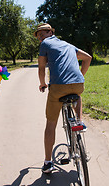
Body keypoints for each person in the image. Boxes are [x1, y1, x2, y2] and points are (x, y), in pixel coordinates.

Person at [34, 23, 92, 174]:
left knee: (51, 123)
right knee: (77, 96)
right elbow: (88, 58)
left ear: (50, 32)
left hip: (58, 87)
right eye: (38, 35)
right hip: (78, 83)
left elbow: (41, 68)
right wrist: (80, 76)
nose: (40, 37)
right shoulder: (68, 44)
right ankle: (79, 121)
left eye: (42, 33)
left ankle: (47, 163)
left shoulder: (45, 44)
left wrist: (42, 84)